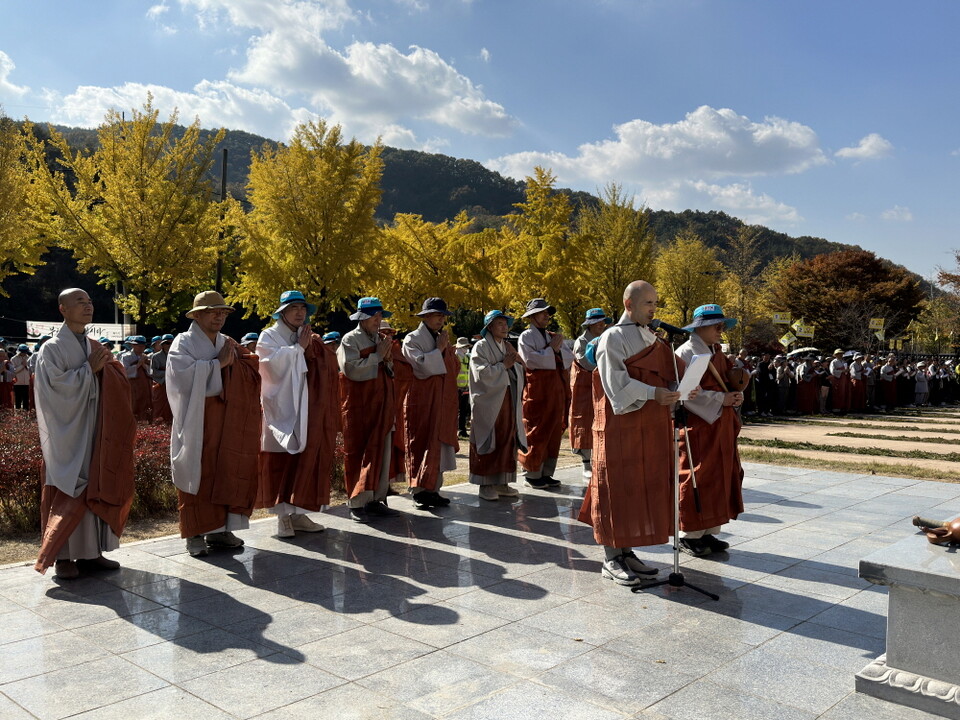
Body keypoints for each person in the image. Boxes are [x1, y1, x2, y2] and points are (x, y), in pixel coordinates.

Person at [578, 280, 697, 587]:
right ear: (628, 304)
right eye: (648, 303)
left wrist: (682, 389)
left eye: (656, 303)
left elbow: (668, 373)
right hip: (619, 426)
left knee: (636, 485)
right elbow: (614, 383)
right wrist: (653, 394)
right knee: (614, 486)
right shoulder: (612, 337)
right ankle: (611, 557)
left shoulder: (652, 337)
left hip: (648, 426)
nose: (654, 309)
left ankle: (627, 551)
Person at [33, 288, 136, 578]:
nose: (87, 306)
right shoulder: (51, 348)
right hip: (67, 433)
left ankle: (91, 553)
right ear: (62, 308)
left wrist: (106, 371)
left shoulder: (94, 345)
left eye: (89, 301)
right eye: (80, 302)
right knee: (67, 486)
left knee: (96, 482)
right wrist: (87, 372)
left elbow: (114, 380)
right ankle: (63, 558)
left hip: (95, 428)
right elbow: (54, 390)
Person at [167, 291, 262, 557]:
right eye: (212, 311)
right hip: (198, 418)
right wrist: (216, 364)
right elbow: (181, 378)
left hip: (227, 418)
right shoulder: (182, 342)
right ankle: (194, 534)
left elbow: (248, 368)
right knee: (199, 471)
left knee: (226, 470)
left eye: (223, 312)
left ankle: (220, 530)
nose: (219, 316)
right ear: (196, 315)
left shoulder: (227, 341)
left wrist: (235, 365)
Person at [256, 291, 338, 537]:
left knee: (304, 459)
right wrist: (297, 349)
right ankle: (283, 518)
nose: (300, 312)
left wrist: (310, 348)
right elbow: (268, 367)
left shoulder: (306, 335)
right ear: (282, 312)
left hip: (304, 408)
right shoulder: (269, 335)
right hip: (280, 409)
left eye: (303, 308)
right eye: (294, 308)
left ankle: (299, 513)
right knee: (281, 461)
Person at [674, 304, 745, 557]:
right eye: (717, 325)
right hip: (699, 425)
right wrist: (720, 399)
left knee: (720, 475)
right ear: (700, 327)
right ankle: (688, 534)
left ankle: (708, 532)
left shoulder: (716, 352)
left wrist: (735, 396)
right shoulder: (686, 352)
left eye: (722, 325)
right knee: (697, 475)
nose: (721, 330)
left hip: (718, 424)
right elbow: (686, 393)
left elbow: (726, 384)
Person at [337, 296, 401, 523]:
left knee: (381, 452)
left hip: (382, 404)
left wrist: (387, 360)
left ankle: (376, 499)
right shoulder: (350, 339)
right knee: (359, 451)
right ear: (362, 318)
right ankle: (357, 502)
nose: (378, 319)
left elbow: (390, 369)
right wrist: (377, 356)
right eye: (373, 316)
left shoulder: (381, 338)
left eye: (380, 315)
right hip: (359, 407)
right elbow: (351, 369)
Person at [401, 297, 461, 509]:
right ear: (425, 316)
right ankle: (419, 491)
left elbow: (453, 368)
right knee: (421, 442)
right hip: (422, 400)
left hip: (442, 400)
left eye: (443, 316)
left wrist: (445, 351)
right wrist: (438, 350)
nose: (441, 319)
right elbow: (421, 366)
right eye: (437, 315)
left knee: (439, 443)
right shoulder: (412, 339)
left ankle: (434, 489)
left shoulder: (441, 338)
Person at [468, 310, 526, 501]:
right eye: (499, 323)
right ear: (489, 327)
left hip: (507, 400)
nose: (504, 327)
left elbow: (518, 367)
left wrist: (515, 362)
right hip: (489, 403)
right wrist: (504, 366)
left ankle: (502, 482)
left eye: (505, 323)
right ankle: (485, 485)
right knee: (489, 438)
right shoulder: (481, 347)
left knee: (507, 437)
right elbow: (481, 374)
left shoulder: (506, 346)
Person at [517, 298, 573, 489]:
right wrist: (552, 350)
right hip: (538, 391)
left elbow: (569, 357)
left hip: (555, 391)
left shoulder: (552, 335)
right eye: (542, 313)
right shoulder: (526, 336)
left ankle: (547, 472)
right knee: (536, 430)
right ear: (532, 316)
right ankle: (532, 473)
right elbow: (530, 361)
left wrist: (554, 350)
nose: (546, 316)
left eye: (547, 312)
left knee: (554, 431)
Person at [570, 308, 612, 479]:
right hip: (584, 388)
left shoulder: (605, 338)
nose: (602, 325)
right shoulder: (581, 341)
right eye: (598, 322)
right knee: (584, 421)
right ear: (590, 324)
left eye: (603, 322)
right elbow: (585, 363)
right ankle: (586, 463)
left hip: (600, 386)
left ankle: (598, 459)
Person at [121, 335, 153, 421]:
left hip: (144, 383)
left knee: (146, 402)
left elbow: (151, 372)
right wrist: (138, 364)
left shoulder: (146, 357)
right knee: (133, 402)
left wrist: (144, 364)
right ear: (132, 345)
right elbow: (125, 371)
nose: (141, 348)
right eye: (138, 345)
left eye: (143, 346)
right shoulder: (126, 357)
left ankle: (145, 422)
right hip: (132, 383)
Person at [150, 334, 174, 423]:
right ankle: (157, 425)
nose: (170, 345)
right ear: (163, 345)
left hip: (174, 384)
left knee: (172, 404)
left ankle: (170, 422)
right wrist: (168, 373)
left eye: (172, 343)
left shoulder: (178, 356)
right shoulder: (155, 356)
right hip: (161, 384)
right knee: (159, 404)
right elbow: (153, 372)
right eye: (167, 343)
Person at [455, 337, 472, 439]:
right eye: (465, 346)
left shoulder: (467, 358)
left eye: (467, 346)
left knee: (463, 411)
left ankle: (462, 430)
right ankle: (454, 431)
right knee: (455, 411)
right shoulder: (455, 357)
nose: (466, 348)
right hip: (456, 388)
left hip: (465, 388)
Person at [829, 348, 851, 414]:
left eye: (841, 354)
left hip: (843, 378)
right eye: (839, 354)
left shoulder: (844, 362)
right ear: (835, 355)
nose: (840, 355)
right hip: (837, 379)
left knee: (843, 392)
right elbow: (833, 371)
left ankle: (842, 407)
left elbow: (846, 370)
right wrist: (842, 371)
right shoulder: (834, 362)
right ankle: (836, 408)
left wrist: (847, 371)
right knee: (837, 392)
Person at [11, 344, 30, 410]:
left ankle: (26, 415)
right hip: (18, 382)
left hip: (27, 383)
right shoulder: (14, 359)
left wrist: (26, 366)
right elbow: (14, 371)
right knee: (18, 400)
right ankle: (18, 416)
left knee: (26, 400)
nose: (23, 353)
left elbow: (31, 370)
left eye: (25, 351)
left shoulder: (29, 358)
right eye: (22, 351)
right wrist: (22, 365)